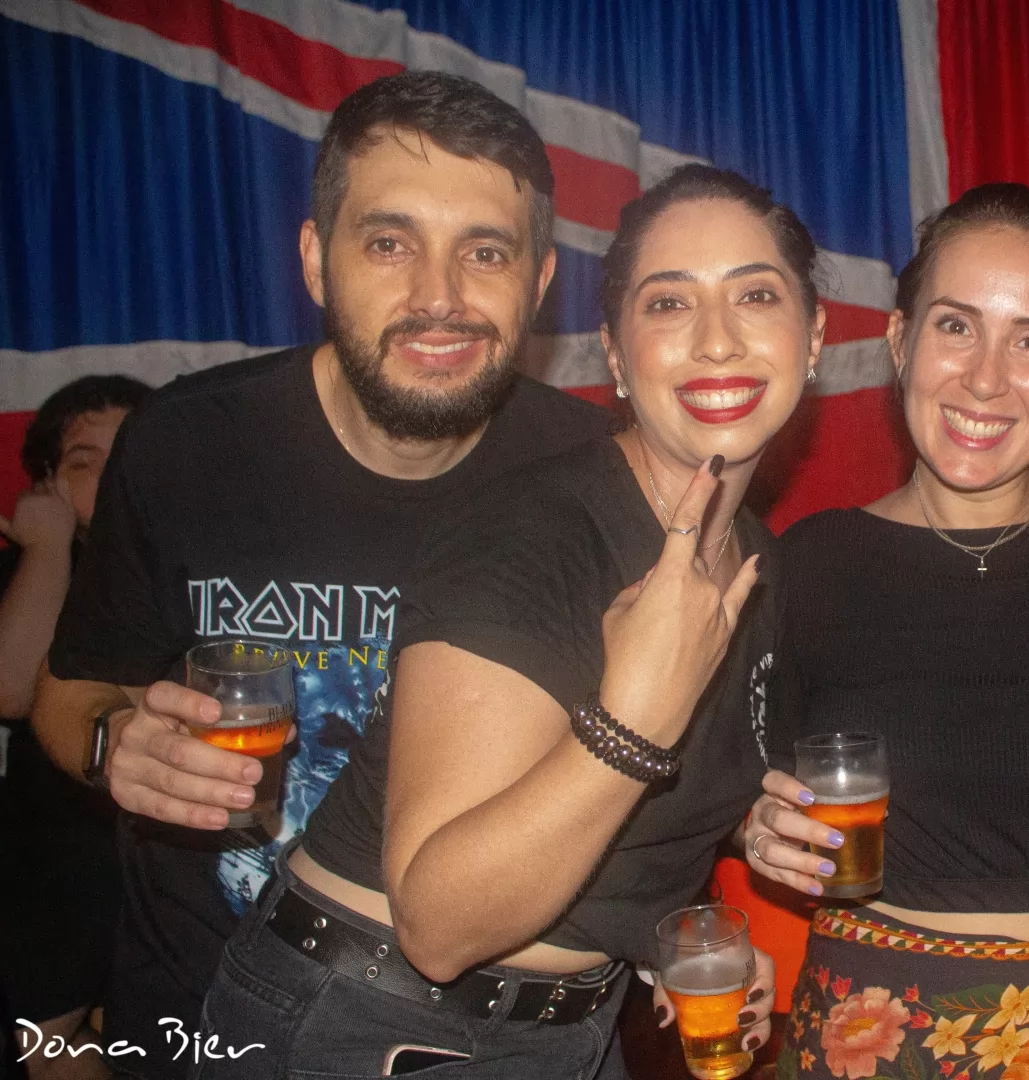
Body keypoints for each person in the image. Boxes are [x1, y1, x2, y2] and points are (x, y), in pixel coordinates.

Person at [29, 71, 610, 1075]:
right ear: (314, 260)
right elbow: (66, 691)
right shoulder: (183, 445)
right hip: (199, 1025)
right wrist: (113, 744)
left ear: (541, 281)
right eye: (389, 243)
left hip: (476, 1043)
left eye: (486, 252)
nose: (439, 296)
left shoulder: (596, 481)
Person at [191, 163, 825, 1078]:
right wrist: (633, 723)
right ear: (615, 355)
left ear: (814, 336)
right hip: (370, 1025)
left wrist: (704, 904)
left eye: (756, 295)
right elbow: (439, 925)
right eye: (668, 303)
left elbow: (638, 813)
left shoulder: (758, 566)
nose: (717, 339)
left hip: (570, 1033)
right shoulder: (531, 533)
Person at [744, 184, 1029, 1080]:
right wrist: (749, 827)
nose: (986, 378)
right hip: (860, 1046)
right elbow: (724, 780)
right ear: (900, 341)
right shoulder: (810, 564)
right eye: (956, 326)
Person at [1, 376, 149, 1079]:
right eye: (85, 461)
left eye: (130, 454)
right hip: (53, 836)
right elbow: (9, 691)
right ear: (51, 484)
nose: (112, 476)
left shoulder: (200, 561)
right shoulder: (37, 564)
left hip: (165, 839)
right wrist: (46, 547)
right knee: (47, 1038)